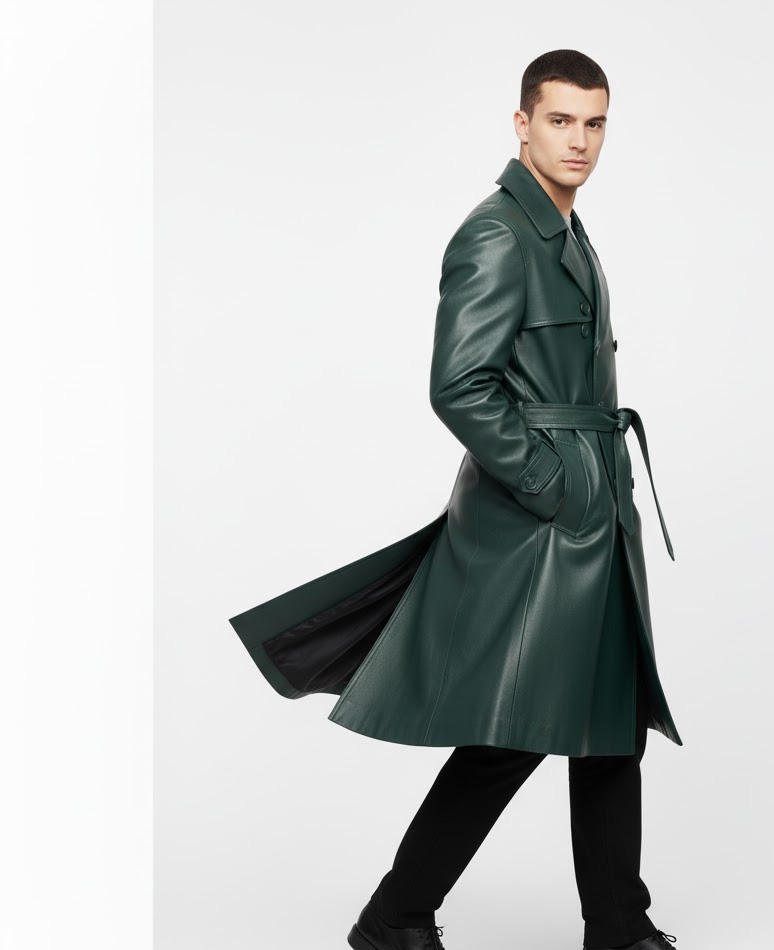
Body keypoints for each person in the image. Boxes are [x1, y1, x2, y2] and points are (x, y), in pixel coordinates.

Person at [229, 48, 683, 950]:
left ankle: (617, 925)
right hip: (544, 522)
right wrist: (555, 486)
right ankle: (394, 917)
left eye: (595, 123)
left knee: (608, 720)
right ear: (522, 124)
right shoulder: (498, 234)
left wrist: (592, 490)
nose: (580, 140)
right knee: (513, 733)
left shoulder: (566, 230)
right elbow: (460, 386)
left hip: (592, 512)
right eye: (560, 120)